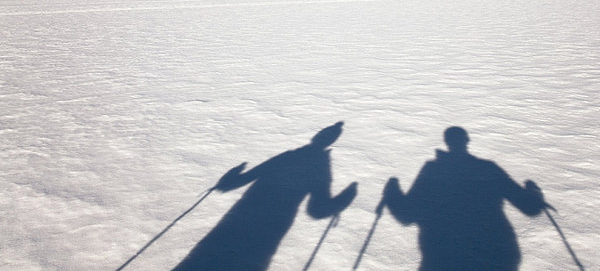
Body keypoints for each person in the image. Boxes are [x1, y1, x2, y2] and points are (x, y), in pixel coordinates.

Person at [173, 122, 357, 271]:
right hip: (269, 230)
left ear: (315, 137)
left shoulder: (287, 157)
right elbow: (317, 210)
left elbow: (230, 185)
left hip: (238, 222)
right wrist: (345, 198)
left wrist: (232, 174)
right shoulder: (320, 168)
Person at [378, 126, 546, 271]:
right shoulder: (487, 169)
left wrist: (392, 191)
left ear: (446, 142)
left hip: (443, 259)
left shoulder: (433, 172)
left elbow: (406, 215)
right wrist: (534, 192)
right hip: (496, 258)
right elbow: (530, 207)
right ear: (467, 140)